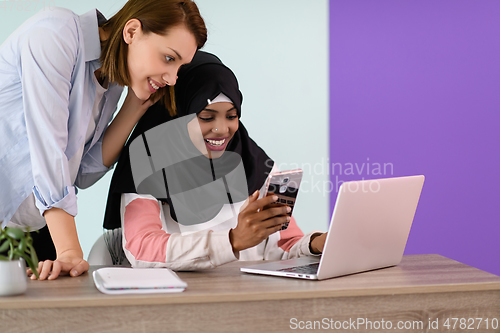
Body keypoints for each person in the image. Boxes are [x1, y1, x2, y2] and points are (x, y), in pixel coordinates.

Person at [0, 0, 207, 280]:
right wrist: (70, 250)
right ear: (132, 32)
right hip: (35, 224)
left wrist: (134, 106)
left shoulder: (113, 80)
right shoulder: (55, 34)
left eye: (179, 67)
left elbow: (81, 174)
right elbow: (50, 153)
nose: (172, 78)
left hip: (33, 227)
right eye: (169, 58)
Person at [103, 51, 327, 270]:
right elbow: (142, 249)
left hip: (252, 296)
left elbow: (284, 245)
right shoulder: (146, 164)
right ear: (178, 114)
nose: (221, 130)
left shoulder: (258, 164)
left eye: (232, 116)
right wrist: (231, 242)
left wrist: (318, 243)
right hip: (184, 301)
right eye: (206, 117)